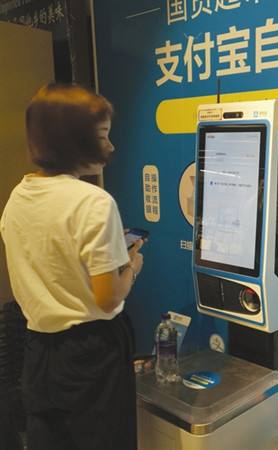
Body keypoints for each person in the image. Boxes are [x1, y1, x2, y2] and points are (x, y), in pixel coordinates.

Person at [0, 83, 144, 450]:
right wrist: (131, 266)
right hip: (93, 352)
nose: (111, 146)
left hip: (39, 349)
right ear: (72, 140)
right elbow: (108, 298)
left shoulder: (19, 195)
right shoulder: (94, 202)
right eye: (102, 136)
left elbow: (52, 260)